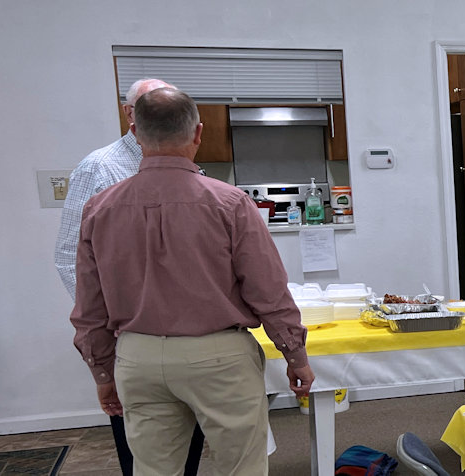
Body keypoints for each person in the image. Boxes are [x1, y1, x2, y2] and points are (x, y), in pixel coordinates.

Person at [69, 87, 314, 475]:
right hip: (219, 357)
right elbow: (268, 291)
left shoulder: (99, 208)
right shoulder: (230, 203)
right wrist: (295, 355)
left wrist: (101, 370)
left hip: (138, 355)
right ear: (198, 133)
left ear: (135, 132)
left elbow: (89, 304)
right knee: (241, 468)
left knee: (153, 470)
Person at [53, 78, 207, 475]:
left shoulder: (188, 163)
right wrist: (104, 327)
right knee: (144, 451)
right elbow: (69, 257)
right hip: (131, 338)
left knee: (189, 446)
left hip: (193, 338)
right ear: (129, 114)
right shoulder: (100, 167)